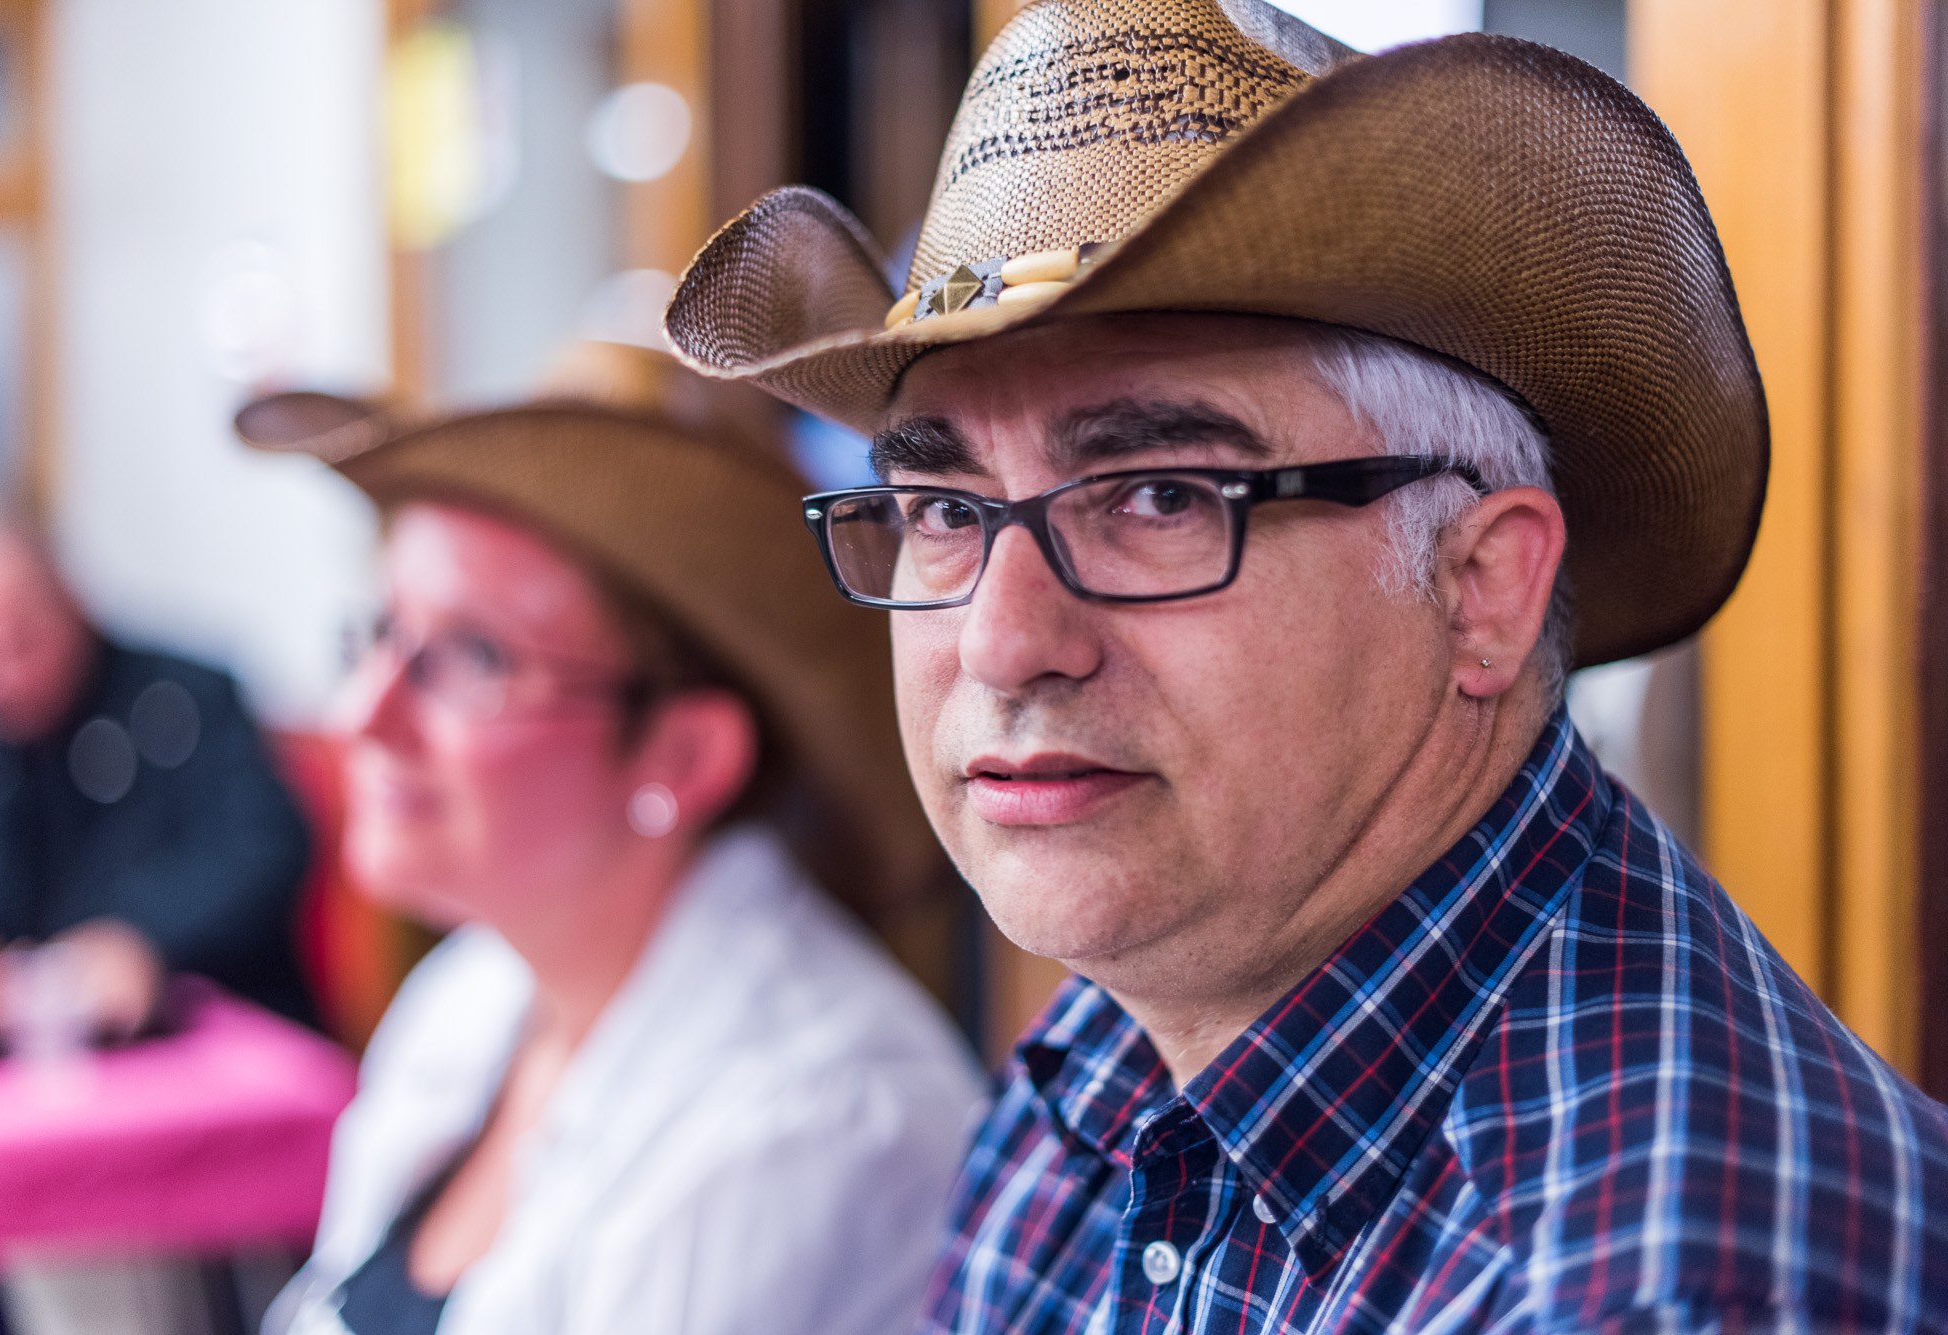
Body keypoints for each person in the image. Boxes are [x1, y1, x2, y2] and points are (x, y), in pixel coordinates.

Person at [665, 0, 1948, 1327]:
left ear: (1481, 585)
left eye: (1160, 495)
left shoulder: (1664, 1285)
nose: (1004, 639)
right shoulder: (1133, 1030)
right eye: (943, 510)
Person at [236, 340, 985, 1335]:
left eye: (470, 656)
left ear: (682, 756)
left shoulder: (806, 1120)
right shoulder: (474, 996)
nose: (364, 716)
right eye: (381, 634)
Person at [0, 493, 316, 1043]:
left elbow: (267, 845)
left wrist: (144, 940)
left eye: (20, 642)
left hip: (194, 1041)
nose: (3, 676)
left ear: (70, 597)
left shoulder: (188, 698)